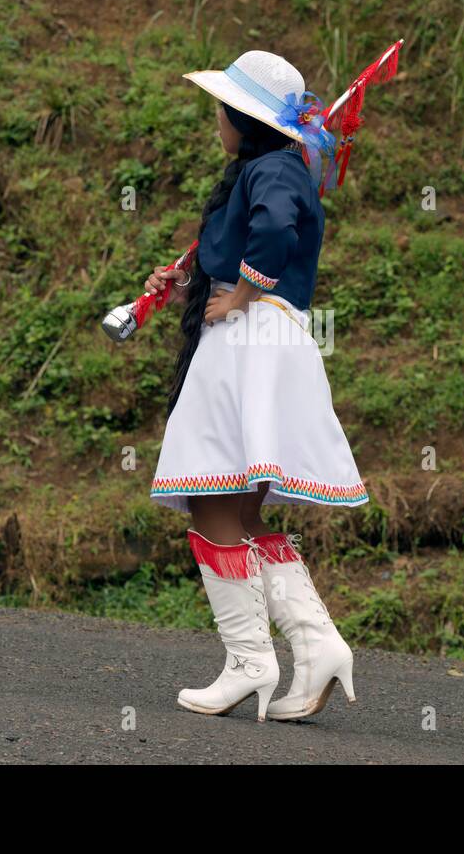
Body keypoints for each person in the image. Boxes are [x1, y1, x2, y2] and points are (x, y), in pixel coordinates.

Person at [146, 50, 367, 722]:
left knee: (209, 497)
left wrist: (239, 292)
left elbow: (274, 230)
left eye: (222, 111)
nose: (217, 121)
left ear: (244, 119)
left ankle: (250, 661)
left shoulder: (270, 170)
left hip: (248, 342)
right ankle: (318, 642)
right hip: (266, 340)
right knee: (239, 513)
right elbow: (257, 234)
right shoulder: (276, 167)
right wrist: (192, 283)